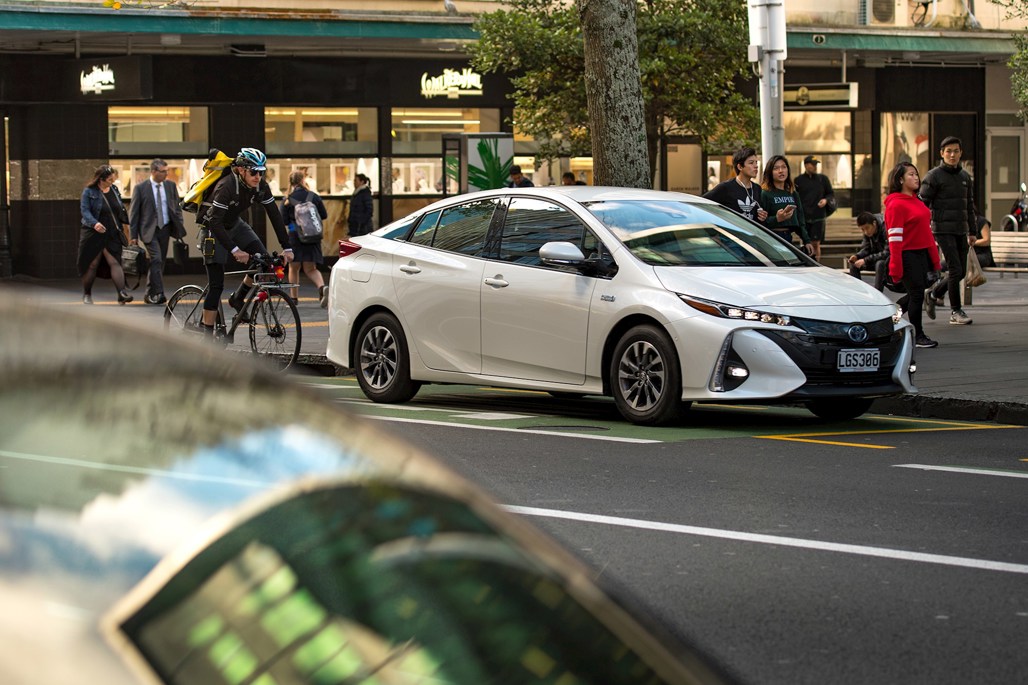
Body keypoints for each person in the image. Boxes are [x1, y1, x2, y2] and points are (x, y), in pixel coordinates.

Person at [197, 147, 293, 336]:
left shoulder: (260, 186)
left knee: (264, 261)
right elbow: (215, 222)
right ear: (241, 170)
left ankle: (238, 298)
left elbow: (274, 214)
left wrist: (287, 247)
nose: (258, 176)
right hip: (212, 229)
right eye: (253, 172)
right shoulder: (226, 186)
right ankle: (206, 331)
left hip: (235, 224)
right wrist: (234, 250)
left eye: (261, 171)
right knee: (216, 284)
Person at [919, 135, 977, 325]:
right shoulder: (933, 176)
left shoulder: (964, 177)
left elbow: (969, 206)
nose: (952, 155)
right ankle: (956, 311)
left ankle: (934, 293)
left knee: (960, 272)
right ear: (942, 153)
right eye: (948, 151)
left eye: (956, 151)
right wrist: (923, 228)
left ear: (961, 153)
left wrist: (973, 231)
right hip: (942, 229)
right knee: (955, 269)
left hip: (961, 229)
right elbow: (922, 204)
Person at [884, 161, 941, 349]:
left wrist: (934, 260)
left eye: (916, 174)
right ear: (900, 179)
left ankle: (889, 321)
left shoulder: (918, 201)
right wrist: (895, 265)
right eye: (911, 174)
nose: (916, 177)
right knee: (916, 295)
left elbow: (926, 232)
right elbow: (894, 239)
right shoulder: (895, 204)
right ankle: (918, 335)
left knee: (915, 294)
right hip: (907, 255)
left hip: (922, 254)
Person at [129, 158, 186, 305]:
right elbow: (134, 213)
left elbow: (176, 207)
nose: (166, 174)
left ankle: (149, 293)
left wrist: (179, 223)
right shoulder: (141, 188)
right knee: (156, 259)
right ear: (153, 171)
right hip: (148, 230)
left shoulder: (170, 186)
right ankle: (159, 293)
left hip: (165, 228)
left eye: (167, 171)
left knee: (159, 263)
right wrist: (133, 236)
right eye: (163, 171)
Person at [78, 164, 133, 305]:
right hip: (93, 232)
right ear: (101, 179)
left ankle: (122, 293)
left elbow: (119, 208)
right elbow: (85, 211)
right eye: (109, 179)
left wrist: (125, 225)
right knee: (92, 263)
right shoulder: (89, 191)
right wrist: (94, 223)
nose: (112, 182)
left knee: (115, 261)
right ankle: (87, 294)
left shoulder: (114, 190)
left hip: (111, 231)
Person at [281, 170, 330, 308]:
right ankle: (321, 287)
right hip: (312, 236)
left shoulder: (287, 199)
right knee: (311, 268)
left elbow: (284, 220)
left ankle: (294, 299)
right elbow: (324, 215)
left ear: (291, 182)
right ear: (303, 180)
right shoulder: (313, 196)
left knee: (293, 268)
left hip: (295, 237)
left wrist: (294, 226)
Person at [759, 155, 812, 253]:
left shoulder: (793, 193)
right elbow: (760, 223)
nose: (781, 171)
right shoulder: (765, 193)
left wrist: (807, 240)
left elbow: (800, 219)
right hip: (771, 238)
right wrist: (777, 219)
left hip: (788, 237)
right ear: (770, 172)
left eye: (784, 167)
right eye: (776, 168)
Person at [702, 147, 768, 224]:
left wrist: (762, 216)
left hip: (751, 234)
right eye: (751, 163)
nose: (756, 166)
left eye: (756, 162)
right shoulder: (725, 187)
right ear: (740, 167)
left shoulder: (757, 188)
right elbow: (702, 202)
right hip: (732, 234)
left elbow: (756, 215)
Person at [794, 155, 834, 263]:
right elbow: (794, 197)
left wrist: (825, 200)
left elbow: (830, 194)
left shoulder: (823, 179)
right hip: (804, 217)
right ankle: (806, 263)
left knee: (816, 243)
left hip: (818, 217)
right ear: (806, 165)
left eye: (816, 164)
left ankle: (817, 263)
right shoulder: (798, 180)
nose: (815, 167)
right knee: (806, 242)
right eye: (813, 164)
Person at [847, 211, 890, 291]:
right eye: (862, 229)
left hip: (888, 261)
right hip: (874, 258)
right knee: (854, 265)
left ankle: (878, 293)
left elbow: (887, 253)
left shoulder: (885, 228)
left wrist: (865, 260)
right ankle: (859, 292)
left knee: (880, 264)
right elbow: (866, 248)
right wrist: (857, 256)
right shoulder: (867, 233)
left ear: (874, 223)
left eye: (867, 228)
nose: (865, 232)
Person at [348, 173, 374, 237]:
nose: (354, 183)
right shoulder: (357, 193)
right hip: (356, 225)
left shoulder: (365, 193)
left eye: (356, 181)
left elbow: (369, 209)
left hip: (362, 226)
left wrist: (362, 221)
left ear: (362, 182)